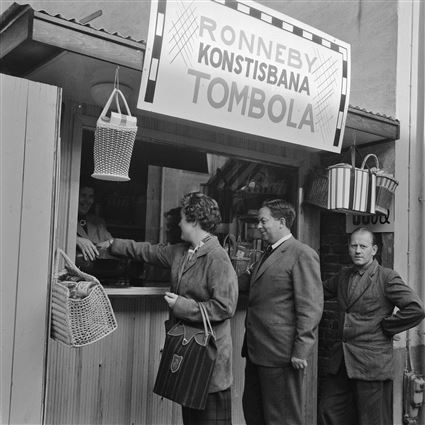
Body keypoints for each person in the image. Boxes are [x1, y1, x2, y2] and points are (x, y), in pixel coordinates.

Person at [103, 192, 238, 425]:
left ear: (194, 221)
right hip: (189, 359)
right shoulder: (181, 252)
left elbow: (225, 307)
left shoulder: (218, 258)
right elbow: (147, 251)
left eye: (183, 218)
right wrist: (113, 244)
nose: (178, 223)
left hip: (209, 363)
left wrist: (182, 306)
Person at [318, 227, 425, 425]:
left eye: (363, 246)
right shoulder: (343, 276)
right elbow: (317, 292)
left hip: (371, 363)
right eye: (353, 246)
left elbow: (416, 308)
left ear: (373, 250)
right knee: (328, 412)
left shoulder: (386, 277)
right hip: (341, 361)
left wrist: (386, 327)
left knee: (372, 420)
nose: (358, 251)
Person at [239, 199, 323, 425]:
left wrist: (300, 350)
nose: (259, 226)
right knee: (254, 414)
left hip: (282, 354)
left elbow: (311, 306)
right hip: (257, 351)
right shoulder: (266, 253)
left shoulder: (302, 253)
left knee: (282, 419)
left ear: (282, 222)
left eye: (263, 221)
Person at [76, 182, 112, 261]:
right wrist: (76, 240)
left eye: (90, 196)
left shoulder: (98, 222)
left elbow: (111, 243)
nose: (87, 200)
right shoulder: (64, 219)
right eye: (83, 195)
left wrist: (110, 243)